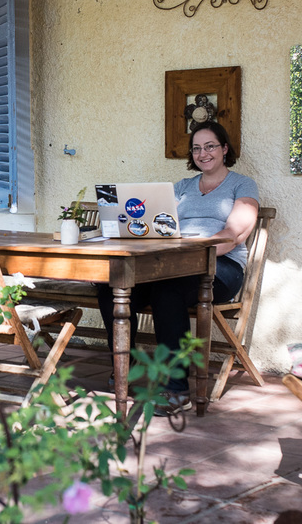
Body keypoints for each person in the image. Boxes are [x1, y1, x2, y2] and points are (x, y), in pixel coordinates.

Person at [97, 120, 259, 415]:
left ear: (224, 149)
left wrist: (191, 252)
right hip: (173, 265)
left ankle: (177, 388)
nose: (203, 153)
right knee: (112, 286)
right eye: (196, 148)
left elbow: (233, 235)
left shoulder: (242, 184)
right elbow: (156, 225)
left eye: (210, 146)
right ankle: (124, 363)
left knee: (167, 290)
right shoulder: (182, 187)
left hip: (220, 267)